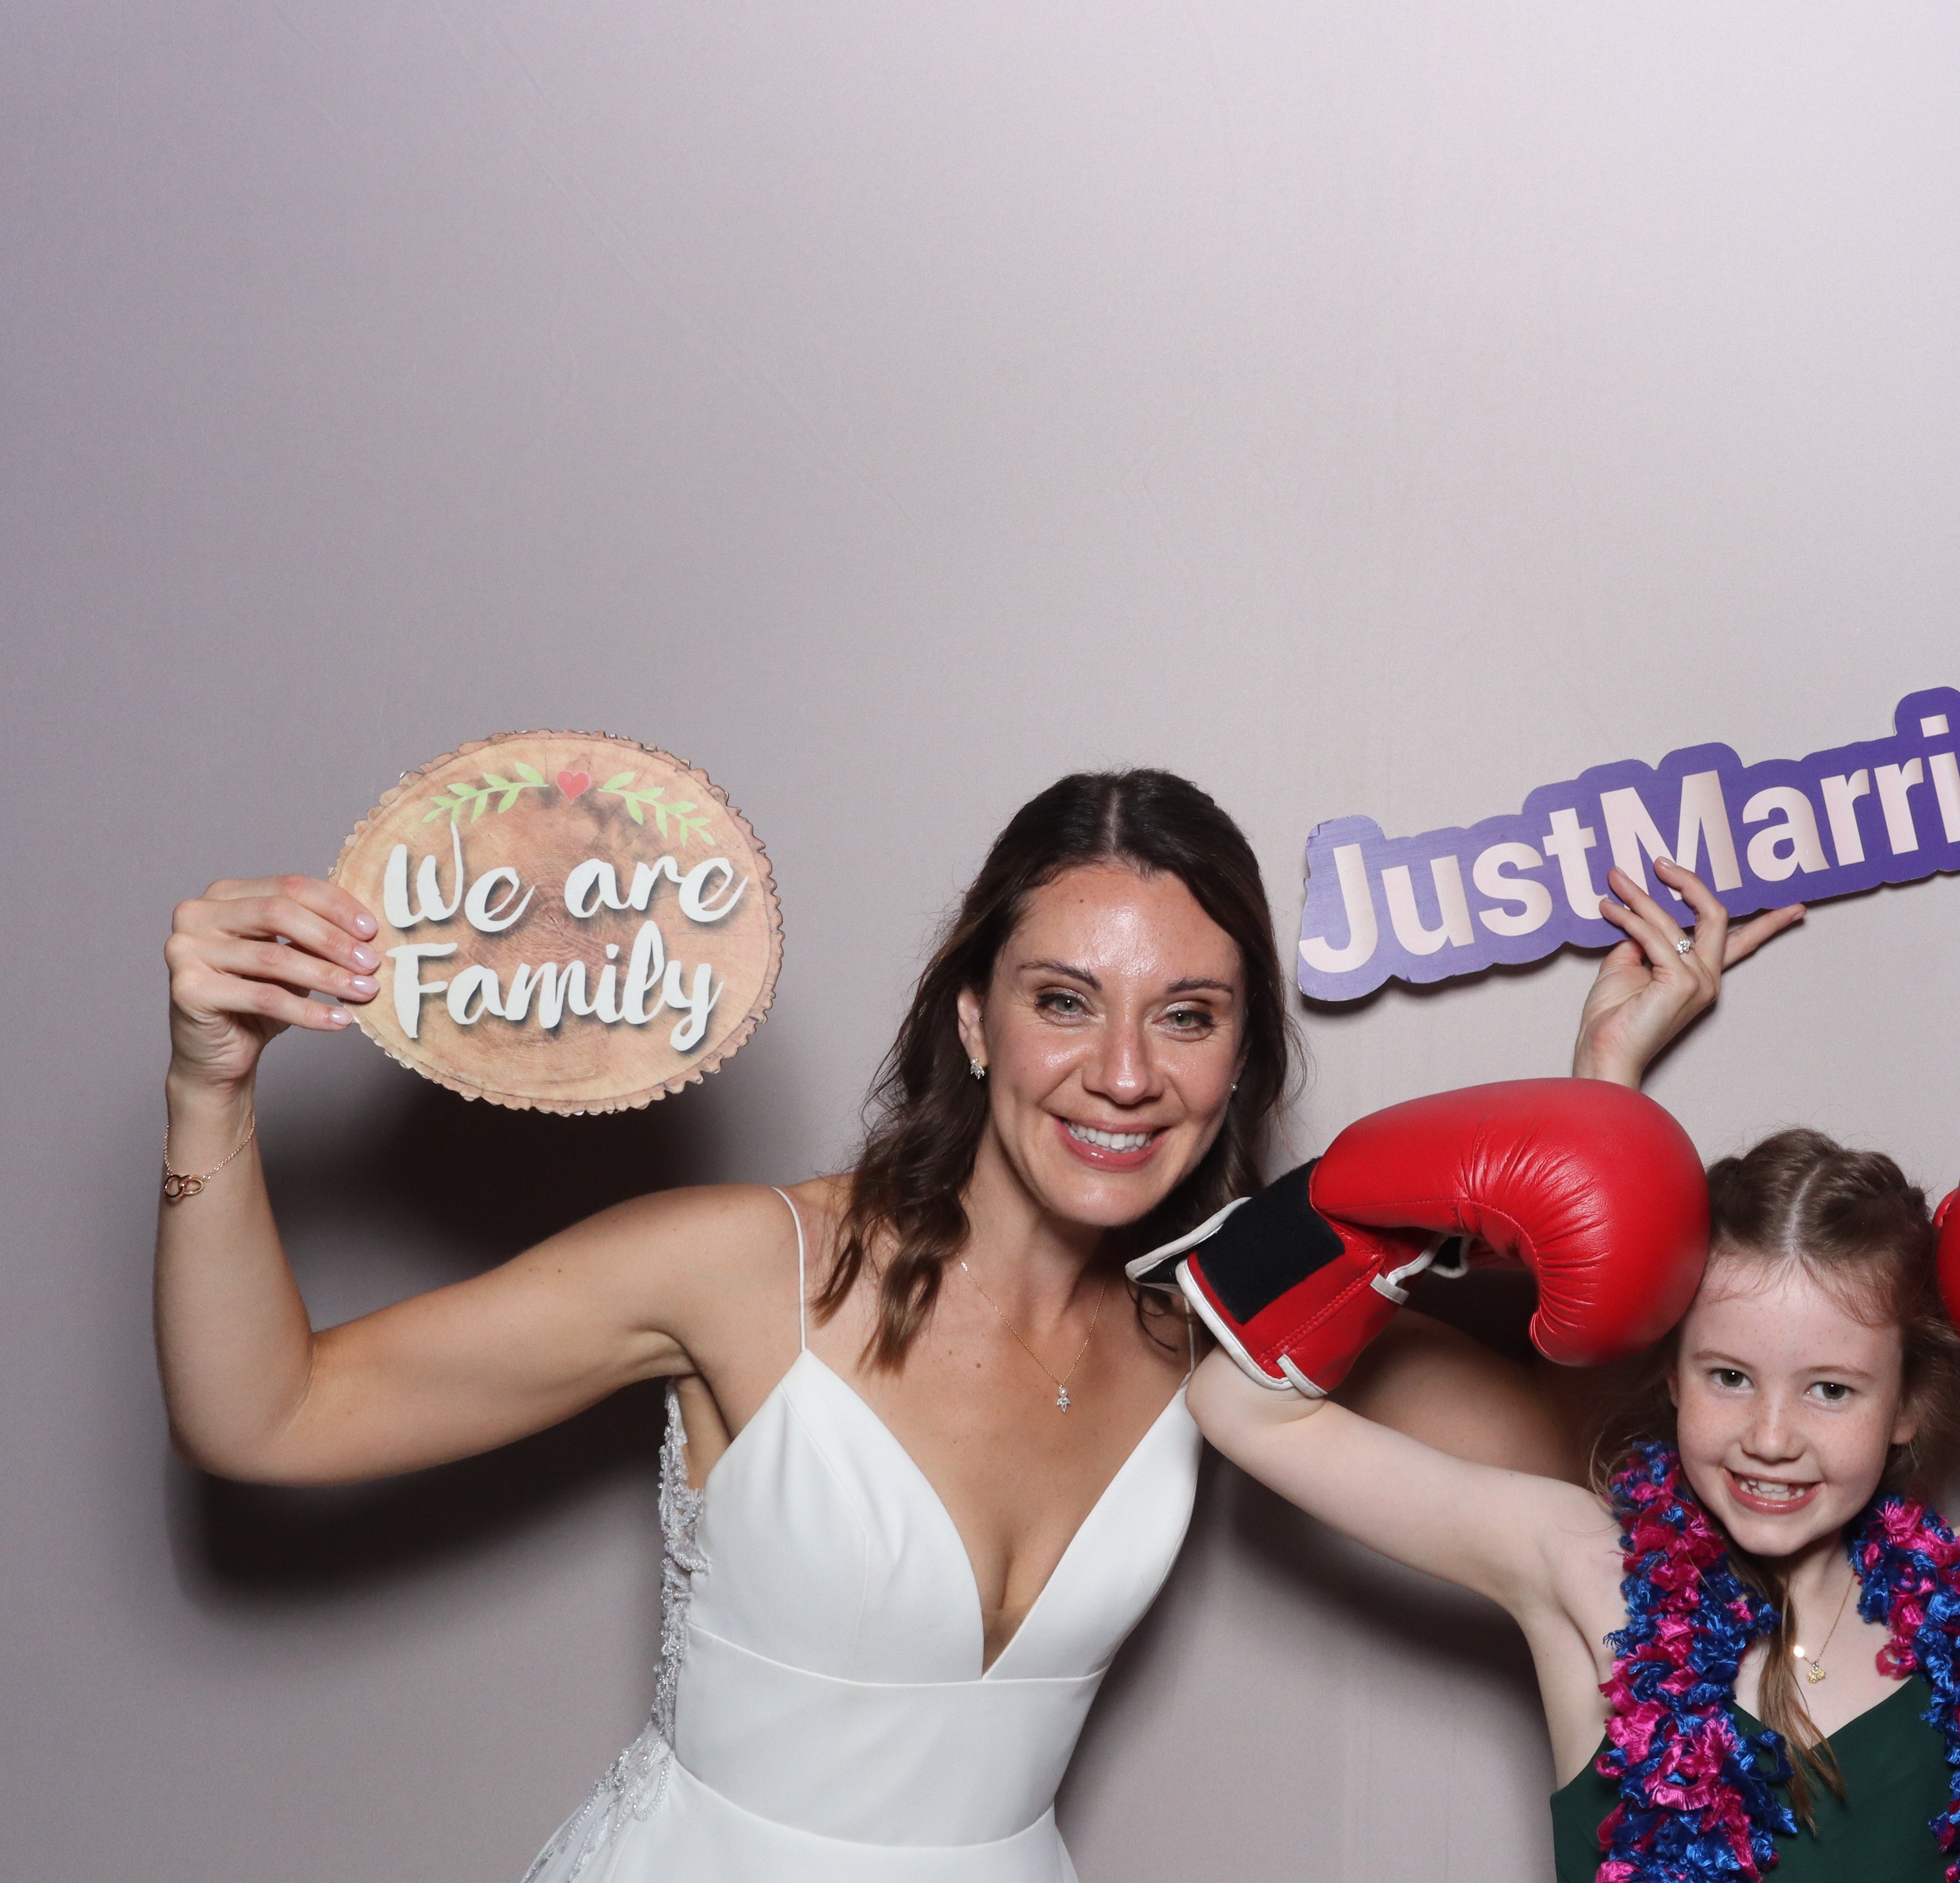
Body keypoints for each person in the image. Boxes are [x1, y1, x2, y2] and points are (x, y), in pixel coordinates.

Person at [154, 770, 1793, 1883]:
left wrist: (1602, 1116)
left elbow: (1597, 1475)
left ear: (1239, 1065)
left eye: (1191, 1017)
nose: (1125, 1072)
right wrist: (212, 1086)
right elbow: (270, 1417)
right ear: (973, 1015)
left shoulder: (1219, 1317)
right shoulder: (751, 1267)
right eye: (1065, 998)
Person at [1180, 1087, 1960, 1882]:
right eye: (1730, 1373)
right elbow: (1242, 1404)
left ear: (1908, 1404)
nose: (1771, 1435)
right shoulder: (1575, 1563)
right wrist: (1407, 1228)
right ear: (1675, 1370)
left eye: (1833, 1390)